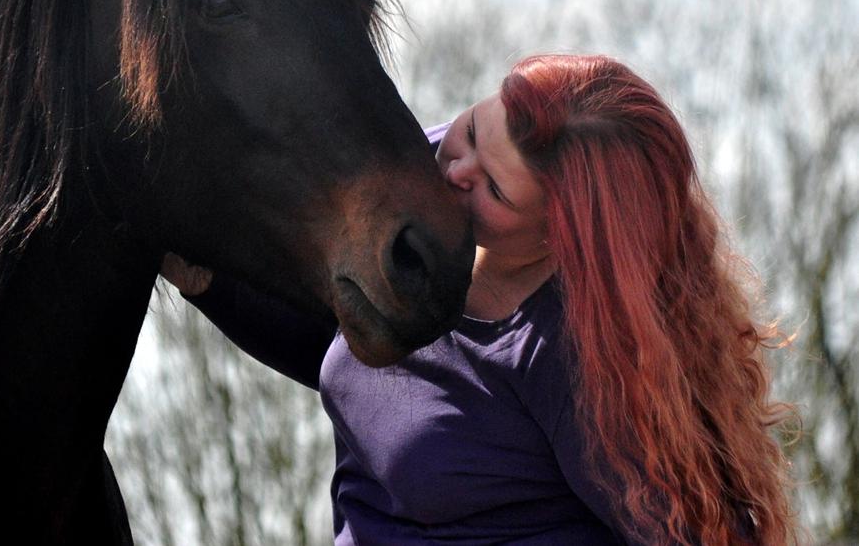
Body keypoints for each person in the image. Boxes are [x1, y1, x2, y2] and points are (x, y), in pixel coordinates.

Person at [163, 53, 797, 546]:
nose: (454, 169)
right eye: (470, 129)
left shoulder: (577, 364)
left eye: (492, 187)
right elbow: (355, 353)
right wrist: (207, 280)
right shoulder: (424, 179)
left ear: (562, 236)